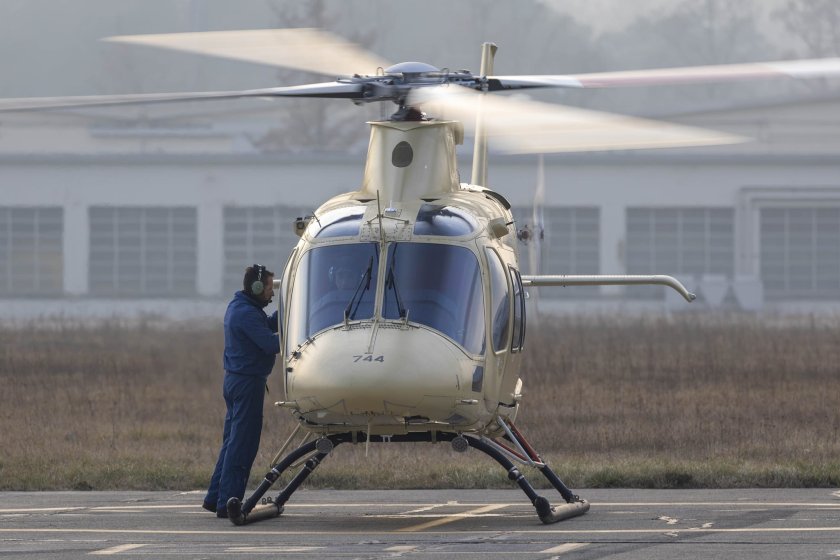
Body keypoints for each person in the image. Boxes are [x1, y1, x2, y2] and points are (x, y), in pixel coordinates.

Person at [203, 264, 280, 518]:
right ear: (257, 288)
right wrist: (301, 334)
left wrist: (289, 310)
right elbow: (269, 343)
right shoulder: (246, 314)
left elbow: (266, 325)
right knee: (242, 444)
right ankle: (229, 502)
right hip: (247, 384)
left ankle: (216, 497)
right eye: (269, 288)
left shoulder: (245, 308)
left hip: (238, 381)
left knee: (231, 442)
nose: (271, 293)